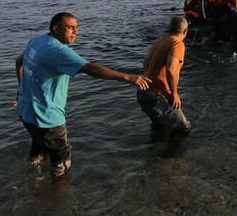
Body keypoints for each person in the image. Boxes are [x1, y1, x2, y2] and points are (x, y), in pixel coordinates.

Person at [14, 12, 151, 177]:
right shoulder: (58, 51)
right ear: (56, 29)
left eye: (77, 27)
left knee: (38, 146)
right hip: (47, 119)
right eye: (70, 27)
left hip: (25, 112)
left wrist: (20, 90)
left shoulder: (36, 41)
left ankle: (29, 177)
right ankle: (57, 195)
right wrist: (128, 77)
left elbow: (18, 61)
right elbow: (91, 69)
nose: (76, 32)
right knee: (61, 160)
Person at [136, 17, 191, 134]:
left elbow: (145, 63)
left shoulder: (159, 41)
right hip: (156, 96)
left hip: (142, 94)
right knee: (183, 128)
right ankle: (178, 153)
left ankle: (155, 151)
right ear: (185, 31)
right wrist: (174, 94)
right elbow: (171, 69)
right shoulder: (177, 44)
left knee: (159, 128)